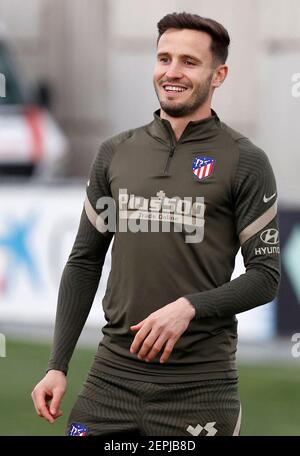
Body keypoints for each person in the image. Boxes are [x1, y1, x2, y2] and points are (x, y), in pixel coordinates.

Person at [31, 12, 280, 436]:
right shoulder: (116, 152)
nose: (172, 72)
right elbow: (84, 262)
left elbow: (266, 276)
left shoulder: (245, 160)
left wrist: (190, 307)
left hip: (200, 387)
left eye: (189, 61)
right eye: (164, 58)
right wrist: (57, 365)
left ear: (219, 74)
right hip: (110, 382)